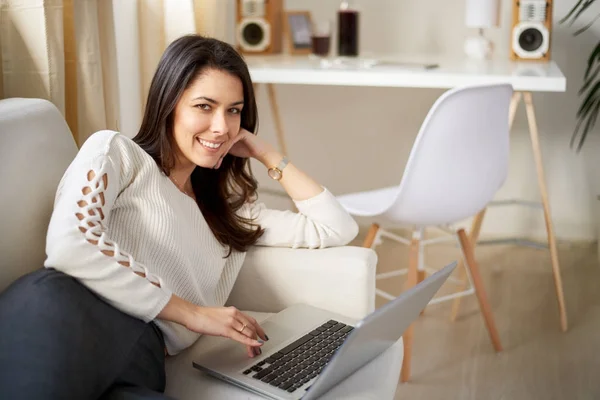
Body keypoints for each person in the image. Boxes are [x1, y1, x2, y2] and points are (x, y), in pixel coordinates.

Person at [0, 35, 358, 399]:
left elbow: (335, 227)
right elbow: (69, 244)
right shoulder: (118, 154)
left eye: (234, 110)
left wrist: (264, 153)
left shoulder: (230, 212)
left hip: (144, 358)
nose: (221, 127)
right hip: (66, 313)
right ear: (168, 105)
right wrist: (194, 314)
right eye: (204, 106)